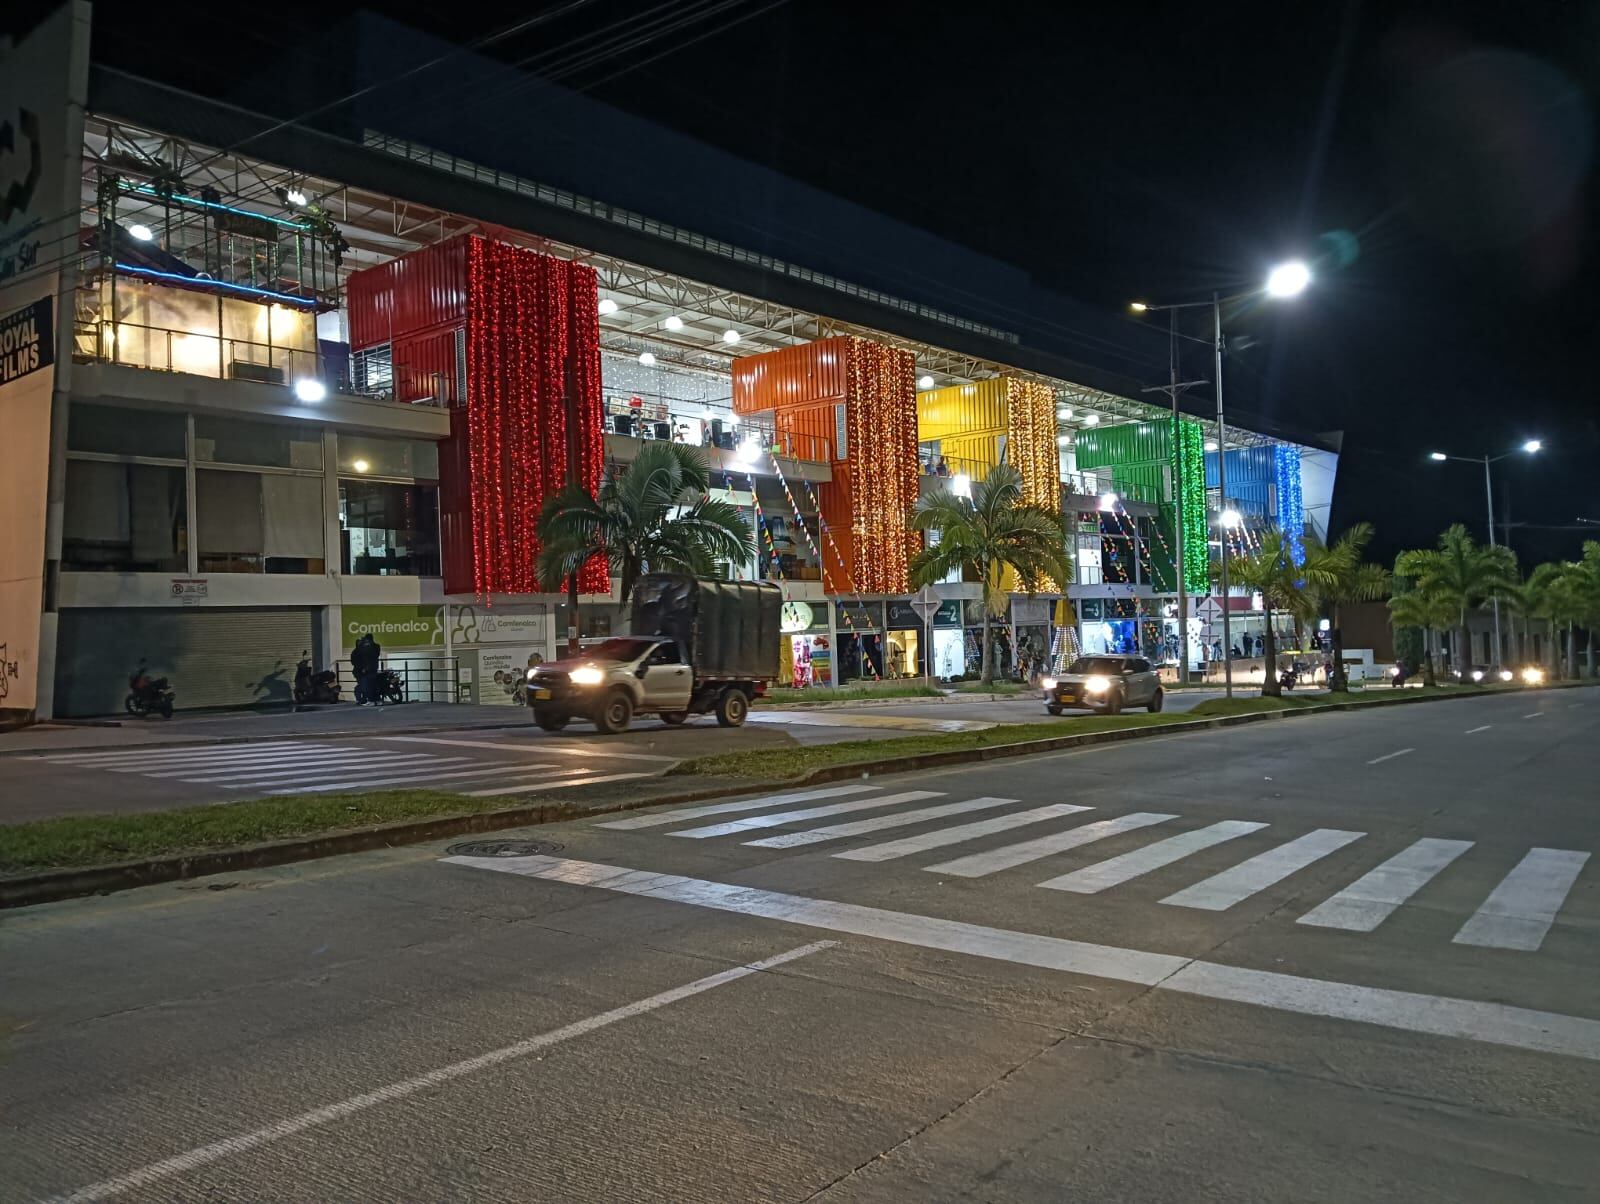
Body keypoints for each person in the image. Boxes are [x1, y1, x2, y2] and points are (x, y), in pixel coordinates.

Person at [352, 632, 381, 707]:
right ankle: (376, 700)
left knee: (366, 686)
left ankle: (370, 700)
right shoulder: (376, 646)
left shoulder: (362, 649)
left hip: (365, 670)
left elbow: (357, 661)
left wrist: (364, 668)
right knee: (374, 685)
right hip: (373, 668)